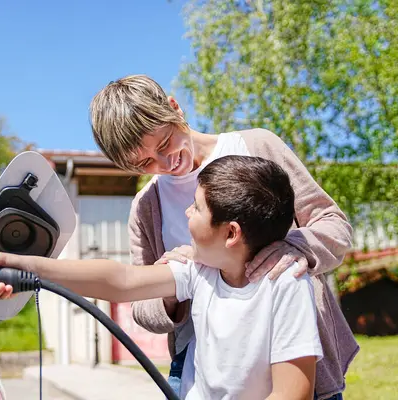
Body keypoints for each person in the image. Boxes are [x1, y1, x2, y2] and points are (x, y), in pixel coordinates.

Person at [88, 75, 359, 400]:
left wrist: (293, 247)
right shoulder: (147, 207)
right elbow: (141, 309)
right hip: (203, 376)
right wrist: (170, 290)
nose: (165, 163)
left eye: (164, 143)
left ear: (175, 109)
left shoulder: (257, 147)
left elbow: (334, 225)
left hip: (291, 357)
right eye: (145, 163)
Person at [0, 155, 324, 400]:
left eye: (197, 208)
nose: (187, 213)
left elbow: (292, 392)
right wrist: (26, 265)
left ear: (230, 233)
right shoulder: (200, 269)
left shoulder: (286, 285)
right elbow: (121, 279)